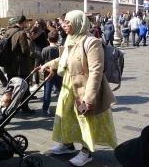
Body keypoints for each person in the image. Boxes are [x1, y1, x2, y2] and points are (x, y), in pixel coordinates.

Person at [41, 10, 117, 166]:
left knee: (86, 119)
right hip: (69, 85)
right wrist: (48, 64)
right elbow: (64, 60)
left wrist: (89, 98)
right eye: (64, 22)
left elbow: (96, 71)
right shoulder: (71, 38)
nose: (64, 25)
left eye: (68, 22)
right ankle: (67, 145)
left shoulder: (91, 42)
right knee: (66, 115)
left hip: (85, 87)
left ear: (77, 23)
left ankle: (86, 152)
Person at [5, 15, 36, 115]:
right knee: (24, 86)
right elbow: (25, 50)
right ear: (22, 23)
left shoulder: (8, 31)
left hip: (9, 64)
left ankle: (8, 107)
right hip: (20, 66)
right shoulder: (21, 33)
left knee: (11, 87)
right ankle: (24, 108)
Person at [41, 31, 62, 116]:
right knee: (61, 89)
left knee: (47, 90)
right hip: (58, 72)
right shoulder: (60, 49)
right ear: (57, 39)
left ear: (48, 39)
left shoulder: (45, 49)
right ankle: (64, 106)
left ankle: (46, 108)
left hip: (48, 73)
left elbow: (42, 59)